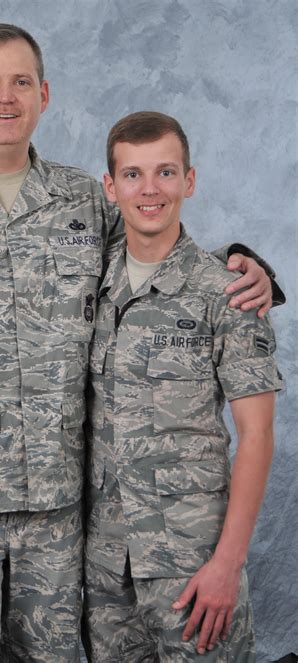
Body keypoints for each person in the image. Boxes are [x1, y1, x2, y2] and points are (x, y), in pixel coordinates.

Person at [0, 25, 278, 663]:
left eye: (21, 81)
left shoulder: (79, 201)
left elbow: (153, 256)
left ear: (43, 94)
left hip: (57, 509)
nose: (5, 96)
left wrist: (242, 265)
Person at [82, 111, 283, 662]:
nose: (150, 190)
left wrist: (227, 563)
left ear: (189, 181)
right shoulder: (88, 289)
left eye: (166, 173)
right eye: (133, 175)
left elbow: (258, 435)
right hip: (105, 571)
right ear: (111, 185)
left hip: (193, 564)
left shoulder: (229, 294)